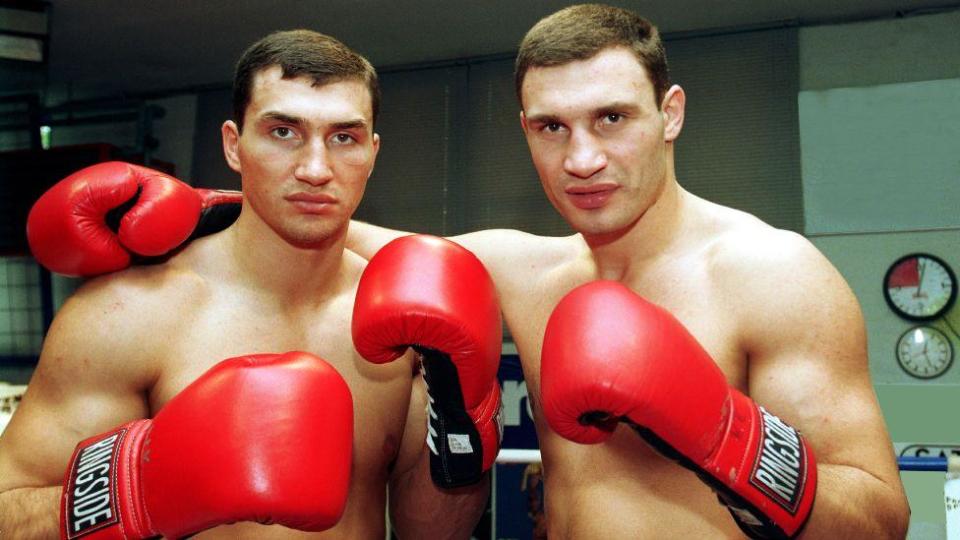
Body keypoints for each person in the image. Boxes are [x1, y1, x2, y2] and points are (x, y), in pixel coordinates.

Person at [25, 5, 911, 538]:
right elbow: (328, 217)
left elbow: (880, 521)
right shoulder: (515, 272)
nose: (584, 158)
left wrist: (726, 436)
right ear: (523, 127)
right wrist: (191, 208)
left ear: (670, 113)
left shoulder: (771, 273)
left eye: (612, 118)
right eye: (550, 127)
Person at [0, 30, 501, 538]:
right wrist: (137, 490)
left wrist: (465, 424)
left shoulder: (408, 325)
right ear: (233, 145)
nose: (315, 169)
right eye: (283, 132)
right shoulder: (129, 313)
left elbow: (434, 532)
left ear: (372, 154)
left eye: (343, 137)